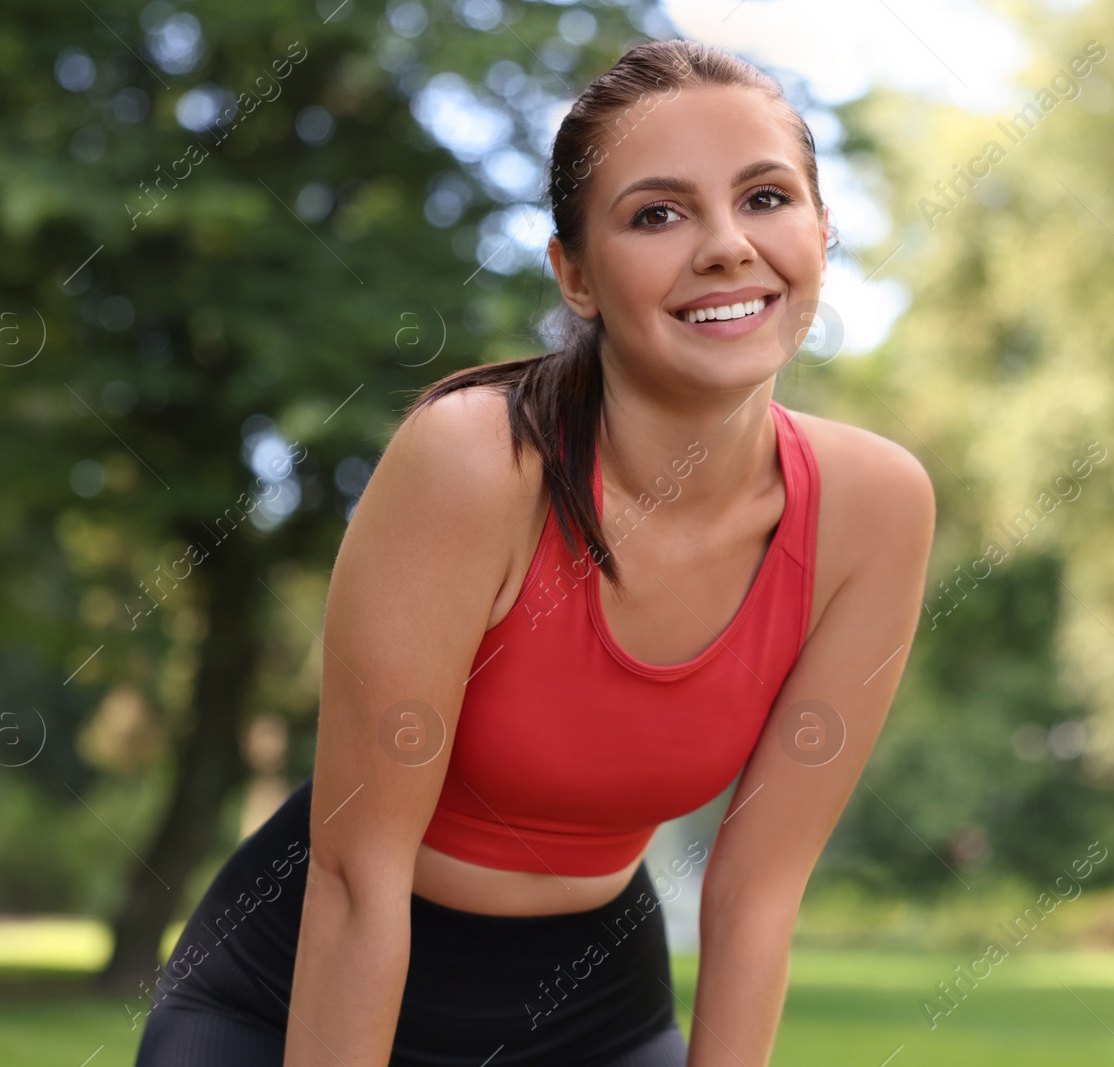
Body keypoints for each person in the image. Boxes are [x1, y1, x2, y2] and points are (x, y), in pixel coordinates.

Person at [134, 36, 934, 1067]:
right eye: (657, 213)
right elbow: (354, 874)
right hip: (297, 986)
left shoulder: (874, 507)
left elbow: (755, 888)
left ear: (822, 231)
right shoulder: (473, 461)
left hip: (592, 1009)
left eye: (766, 197)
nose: (728, 245)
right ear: (577, 273)